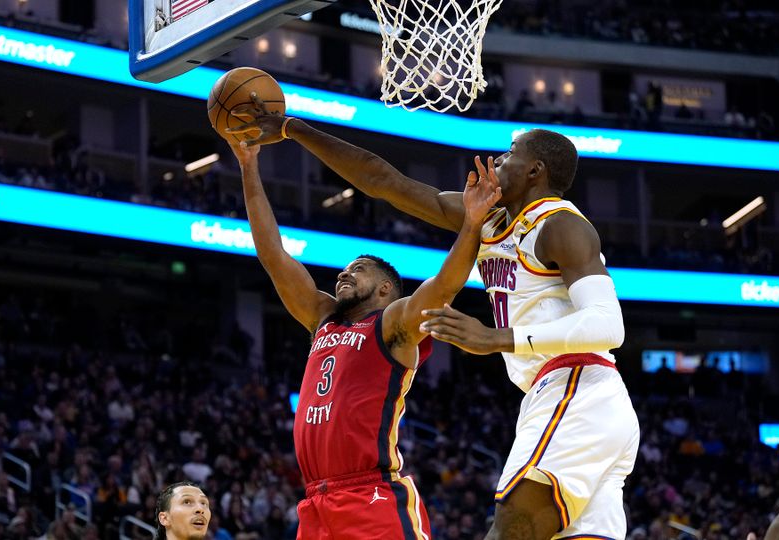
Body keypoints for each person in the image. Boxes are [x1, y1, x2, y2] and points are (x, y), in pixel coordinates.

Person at [228, 101, 639, 540]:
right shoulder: (487, 221)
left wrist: (496, 338)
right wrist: (294, 129)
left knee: (509, 530)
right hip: (562, 394)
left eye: (511, 153)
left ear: (535, 170)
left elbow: (608, 325)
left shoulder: (561, 226)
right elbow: (383, 181)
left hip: (578, 384)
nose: (498, 159)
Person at [227, 132, 500, 539]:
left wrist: (473, 224)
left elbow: (443, 286)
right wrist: (249, 166)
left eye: (357, 270)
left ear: (386, 288)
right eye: (344, 270)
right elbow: (272, 255)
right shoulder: (323, 318)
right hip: (315, 501)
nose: (343, 274)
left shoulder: (393, 324)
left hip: (371, 495)